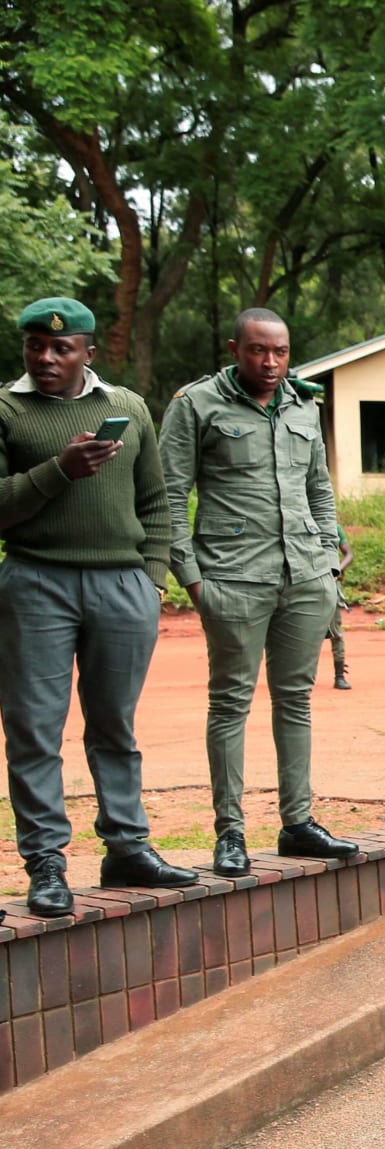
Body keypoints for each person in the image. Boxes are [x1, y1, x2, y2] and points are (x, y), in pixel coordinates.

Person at [0, 297, 198, 917]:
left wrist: (151, 579)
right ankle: (47, 864)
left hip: (122, 586)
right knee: (34, 728)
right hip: (36, 582)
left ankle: (126, 846)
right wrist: (59, 469)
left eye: (62, 347)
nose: (46, 357)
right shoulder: (7, 409)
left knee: (114, 723)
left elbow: (157, 502)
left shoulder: (128, 408)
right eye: (36, 345)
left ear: (89, 352)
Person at [161, 308, 358, 877]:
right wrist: (193, 580)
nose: (269, 363)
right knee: (230, 703)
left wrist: (327, 563)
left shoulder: (302, 405)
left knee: (295, 701)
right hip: (231, 578)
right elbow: (171, 497)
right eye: (257, 351)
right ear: (234, 348)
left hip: (304, 578)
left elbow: (319, 488)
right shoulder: (195, 405)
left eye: (280, 352)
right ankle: (230, 832)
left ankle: (298, 822)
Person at [324, 521, 353, 690]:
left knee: (335, 631)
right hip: (305, 584)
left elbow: (348, 554)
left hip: (330, 585)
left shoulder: (333, 527)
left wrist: (337, 569)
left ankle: (339, 676)